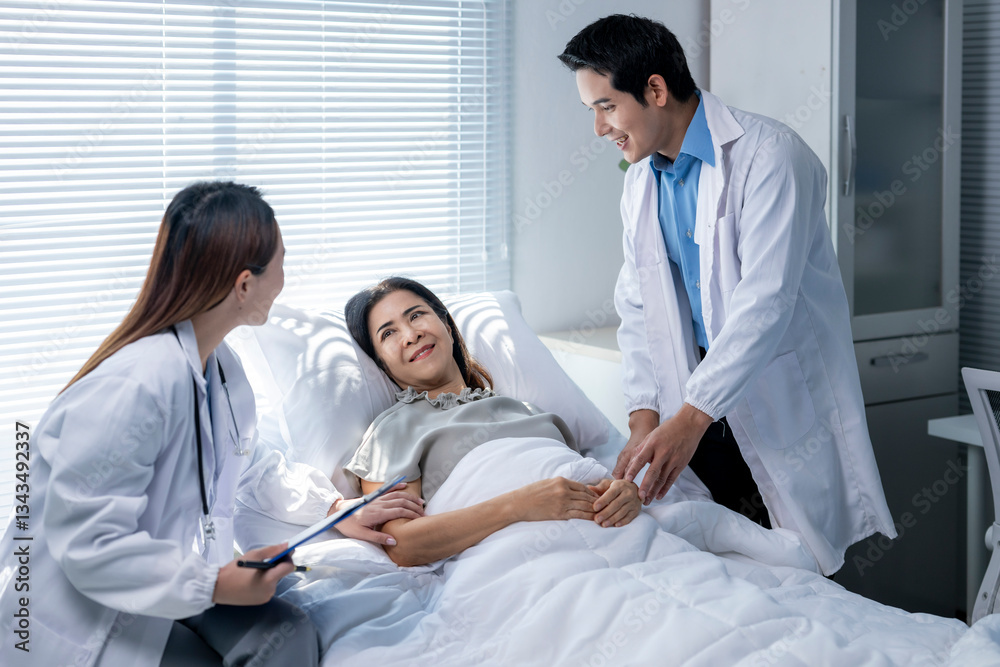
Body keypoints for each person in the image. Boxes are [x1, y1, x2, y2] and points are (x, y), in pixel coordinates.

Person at [0, 182, 424, 667]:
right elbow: (88, 545)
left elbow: (246, 461)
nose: (284, 279)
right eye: (281, 262)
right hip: (82, 616)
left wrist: (335, 508)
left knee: (287, 635)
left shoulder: (221, 370)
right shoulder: (133, 387)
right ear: (244, 285)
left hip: (171, 582)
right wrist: (216, 584)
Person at [558, 15, 895, 575]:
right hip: (694, 407)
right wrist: (644, 419)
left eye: (606, 106)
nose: (599, 129)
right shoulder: (640, 180)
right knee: (728, 577)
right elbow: (637, 306)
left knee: (803, 575)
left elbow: (766, 302)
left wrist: (690, 418)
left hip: (771, 402)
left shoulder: (770, 156)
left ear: (655, 90)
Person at [342, 277, 642, 568]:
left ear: (447, 326)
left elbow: (578, 485)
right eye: (388, 333)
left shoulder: (528, 410)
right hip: (527, 563)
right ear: (383, 365)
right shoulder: (392, 431)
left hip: (622, 540)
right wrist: (519, 505)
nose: (411, 335)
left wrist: (624, 494)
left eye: (416, 315)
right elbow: (402, 544)